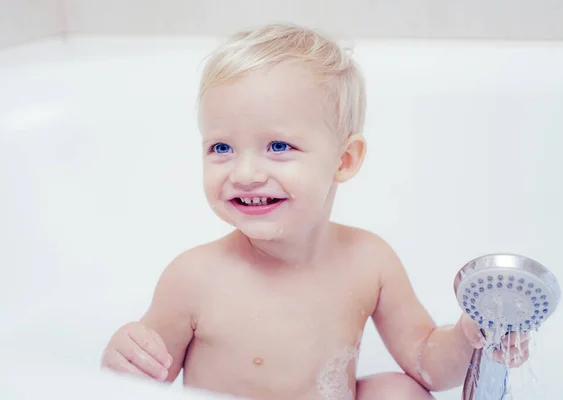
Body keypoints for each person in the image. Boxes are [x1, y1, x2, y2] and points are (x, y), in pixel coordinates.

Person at [100, 23, 529, 399]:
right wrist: (122, 362)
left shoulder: (369, 261)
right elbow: (142, 383)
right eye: (222, 147)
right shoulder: (195, 278)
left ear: (344, 160)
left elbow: (425, 362)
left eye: (278, 146)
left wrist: (470, 337)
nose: (245, 172)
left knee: (398, 392)